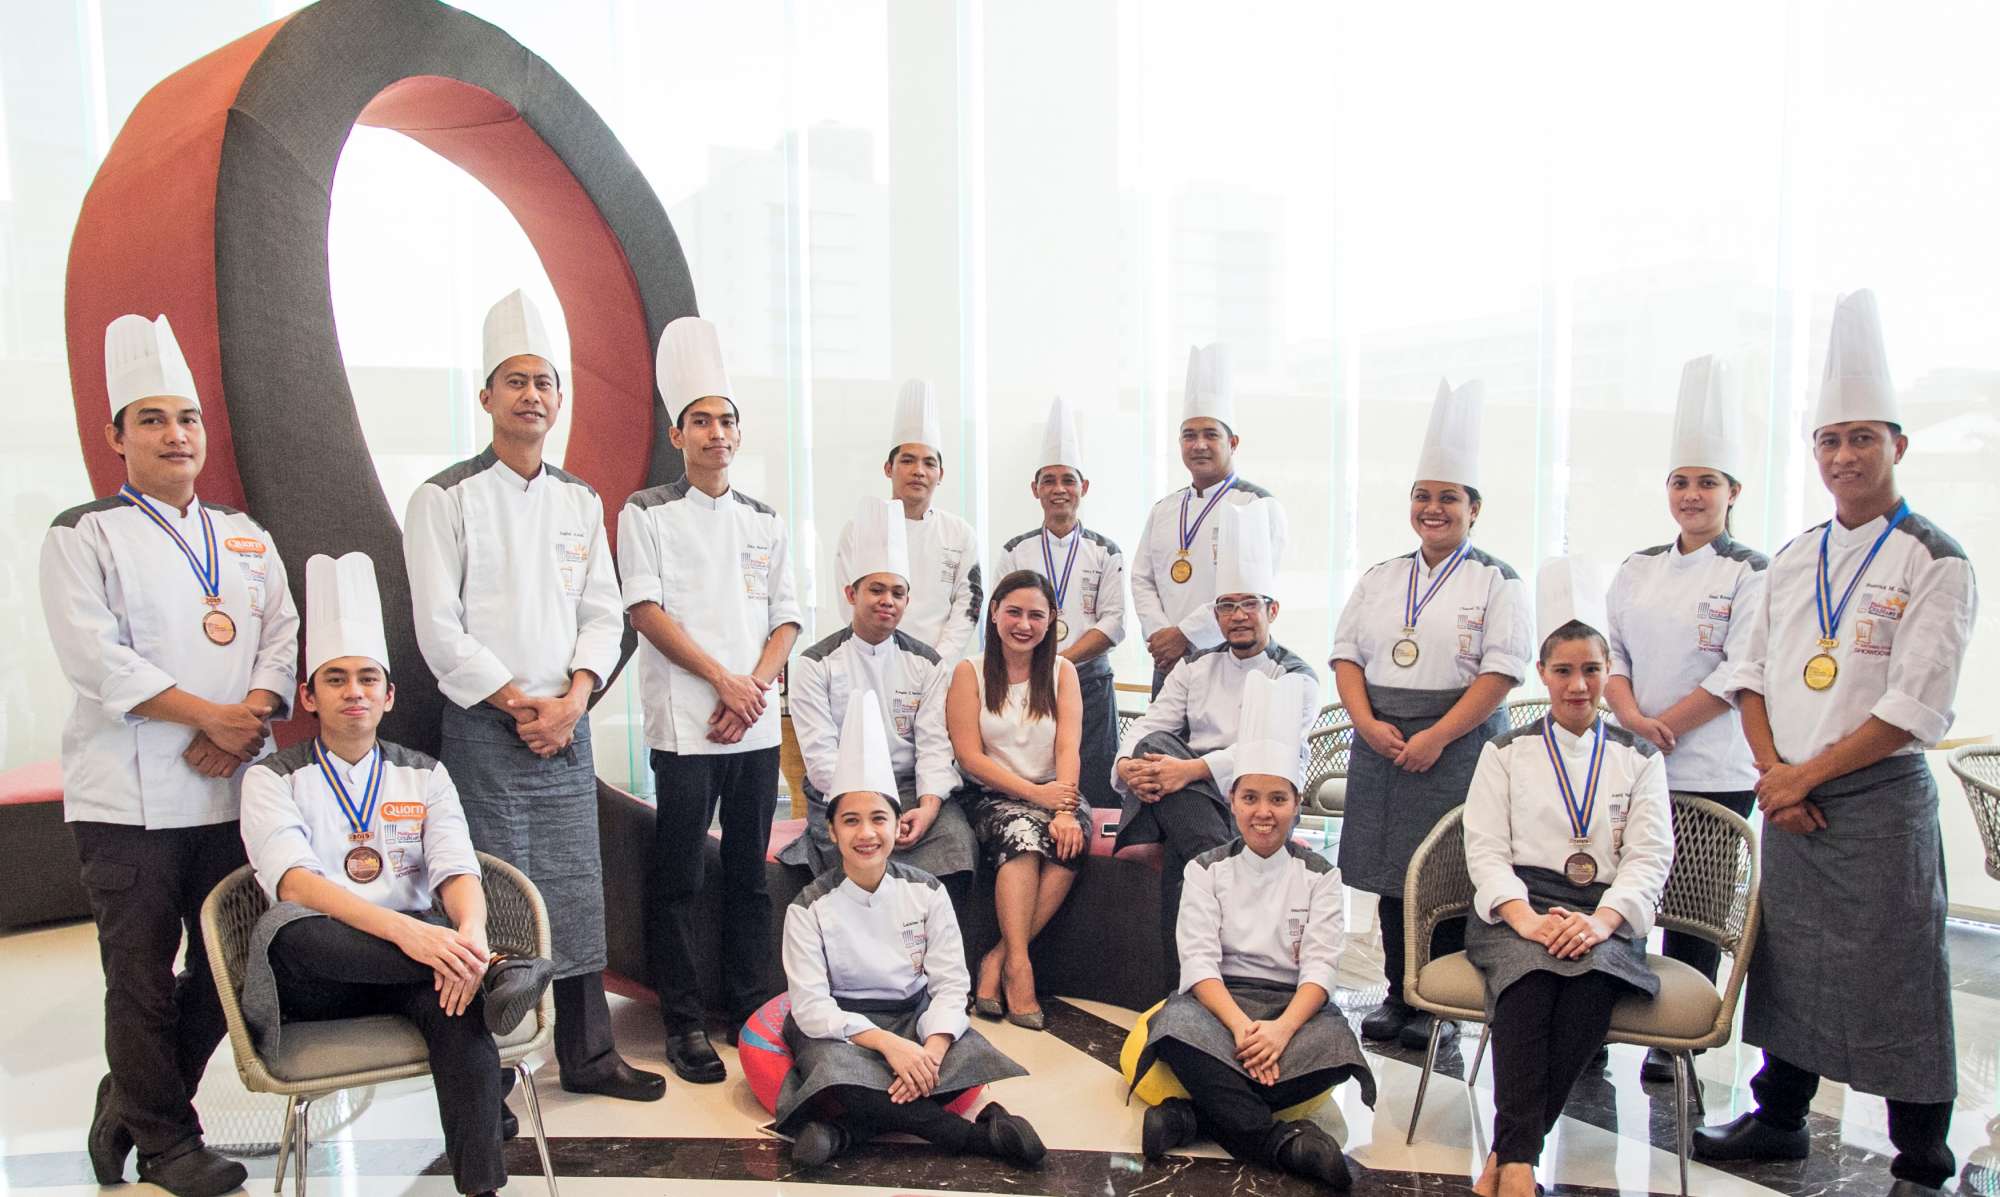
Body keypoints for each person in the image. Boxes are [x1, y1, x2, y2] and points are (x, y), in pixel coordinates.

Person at [1694, 290, 1978, 1196]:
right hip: (1790, 790)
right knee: (1789, 964)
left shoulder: (1936, 558)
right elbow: (1749, 674)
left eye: (1862, 438)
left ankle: (1921, 1147)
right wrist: (1775, 772)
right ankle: (1779, 1116)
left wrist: (1800, 776)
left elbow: (1913, 706)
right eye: (1829, 440)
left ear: (1898, 445)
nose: (1844, 456)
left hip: (1877, 799)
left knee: (1899, 972)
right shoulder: (1793, 556)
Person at [41, 313, 299, 1196]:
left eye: (186, 418)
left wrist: (249, 717)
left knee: (237, 963)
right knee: (141, 980)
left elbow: (280, 634)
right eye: (151, 419)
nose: (175, 434)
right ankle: (166, 1142)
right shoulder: (83, 533)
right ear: (116, 436)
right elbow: (96, 658)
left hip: (233, 792)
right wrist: (210, 718)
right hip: (129, 800)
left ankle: (133, 1096)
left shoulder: (245, 533)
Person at [405, 290, 661, 1102]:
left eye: (543, 381)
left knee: (576, 888)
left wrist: (575, 698)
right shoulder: (442, 498)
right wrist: (521, 703)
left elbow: (603, 612)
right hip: (488, 727)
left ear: (559, 397)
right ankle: (490, 1072)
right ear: (486, 396)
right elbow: (438, 628)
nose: (531, 395)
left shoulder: (579, 499)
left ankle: (588, 1054)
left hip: (565, 723)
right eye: (514, 381)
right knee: (493, 895)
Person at [236, 553, 556, 1197]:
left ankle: (483, 1189)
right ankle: (495, 969)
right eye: (335, 679)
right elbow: (295, 884)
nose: (353, 691)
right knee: (294, 930)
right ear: (309, 696)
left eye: (367, 678)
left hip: (419, 964)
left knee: (457, 1005)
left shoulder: (425, 775)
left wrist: (468, 932)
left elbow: (457, 867)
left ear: (389, 695)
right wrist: (418, 937)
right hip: (319, 976)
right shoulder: (272, 778)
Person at [620, 315, 802, 1083]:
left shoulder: (765, 518)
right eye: (701, 421)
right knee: (681, 879)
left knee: (749, 876)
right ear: (677, 433)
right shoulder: (644, 512)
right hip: (686, 728)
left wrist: (750, 685)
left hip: (752, 727)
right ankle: (685, 1021)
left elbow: (787, 616)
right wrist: (723, 681)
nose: (716, 432)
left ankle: (750, 1005)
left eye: (726, 420)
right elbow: (646, 611)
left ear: (738, 431)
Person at [1331, 378, 1531, 1052]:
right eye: (1423, 495)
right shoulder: (1381, 576)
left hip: (1459, 740)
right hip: (1382, 736)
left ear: (1475, 508)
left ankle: (1435, 997)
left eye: (1448, 497)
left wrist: (1439, 736)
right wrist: (1366, 724)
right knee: (1393, 874)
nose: (1433, 508)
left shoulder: (1498, 580)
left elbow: (1502, 672)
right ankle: (1398, 990)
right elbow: (1346, 657)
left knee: (1445, 869)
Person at [1462, 558, 1673, 1197]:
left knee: (1589, 986)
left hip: (1605, 909)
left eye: (1591, 669)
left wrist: (1603, 922)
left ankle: (1510, 1158)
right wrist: (1526, 919)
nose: (1578, 685)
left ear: (1609, 673)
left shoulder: (1640, 757)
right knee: (1528, 981)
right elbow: (1485, 848)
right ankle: (1519, 1164)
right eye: (1563, 670)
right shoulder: (1504, 751)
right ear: (1542, 673)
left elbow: (1649, 857)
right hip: (1518, 905)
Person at [776, 692, 1044, 1168]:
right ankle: (978, 1139)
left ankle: (843, 1132)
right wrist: (889, 1045)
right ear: (832, 831)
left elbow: (951, 984)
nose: (866, 833)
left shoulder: (927, 892)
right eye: (851, 821)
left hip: (912, 1018)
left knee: (963, 1058)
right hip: (844, 1030)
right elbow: (813, 1008)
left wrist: (930, 1051)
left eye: (878, 818)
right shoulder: (808, 908)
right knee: (838, 1071)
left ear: (898, 824)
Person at [1132, 671, 1375, 1190]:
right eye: (1250, 798)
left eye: (1278, 799)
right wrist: (1244, 1029)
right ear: (1233, 801)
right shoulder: (1205, 869)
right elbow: (1199, 964)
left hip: (1293, 1007)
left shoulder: (1321, 875)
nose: (1263, 813)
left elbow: (1321, 967)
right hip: (1219, 1005)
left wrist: (1281, 1030)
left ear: (1296, 803)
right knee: (1174, 1029)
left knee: (1337, 1048)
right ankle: (1275, 1142)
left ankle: (1195, 1118)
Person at [1602, 354, 1768, 1083]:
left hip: (1714, 768)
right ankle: (1600, 1021)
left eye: (1706, 482)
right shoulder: (1638, 565)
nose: (1692, 495)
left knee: (1694, 912)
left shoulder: (1753, 571)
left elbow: (1741, 667)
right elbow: (1611, 651)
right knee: (1619, 895)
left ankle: (1675, 1045)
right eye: (1680, 481)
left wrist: (1665, 722)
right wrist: (1633, 715)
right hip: (1634, 759)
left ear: (1734, 492)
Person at [1115, 500, 1317, 975]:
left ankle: (1181, 985)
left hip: (1257, 798)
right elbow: (1151, 724)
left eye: (1249, 605)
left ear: (1272, 609)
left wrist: (1190, 771)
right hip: (1186, 794)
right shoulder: (1196, 664)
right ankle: (1224, 910)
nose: (1238, 616)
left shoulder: (1295, 676)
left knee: (1188, 861)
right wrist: (1126, 765)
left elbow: (1267, 752)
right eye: (1227, 606)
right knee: (1152, 748)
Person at [781, 497, 978, 910]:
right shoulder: (815, 664)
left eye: (897, 592)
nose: (887, 600)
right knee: (860, 861)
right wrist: (876, 814)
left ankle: (936, 944)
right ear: (851, 593)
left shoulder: (926, 663)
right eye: (876, 590)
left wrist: (927, 808)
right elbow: (821, 761)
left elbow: (934, 748)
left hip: (911, 791)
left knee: (958, 844)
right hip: (841, 794)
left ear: (907, 601)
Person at [946, 570, 1084, 1030]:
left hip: (1055, 788)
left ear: (1051, 620)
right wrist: (1035, 795)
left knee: (1069, 842)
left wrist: (1064, 809)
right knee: (1024, 837)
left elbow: (1068, 747)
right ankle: (1020, 969)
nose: (1024, 624)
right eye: (1014, 612)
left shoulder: (1063, 672)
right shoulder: (969, 672)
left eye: (1036, 615)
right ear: (994, 613)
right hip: (992, 794)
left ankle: (999, 958)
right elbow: (969, 756)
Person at [994, 396, 1127, 821]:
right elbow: (1000, 617)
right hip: (1026, 684)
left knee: (1098, 788)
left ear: (1083, 488)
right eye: (1048, 480)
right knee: (1036, 785)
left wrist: (1059, 663)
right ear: (1035, 489)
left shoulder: (1105, 551)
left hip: (1090, 683)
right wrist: (1041, 669)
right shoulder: (1015, 551)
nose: (1058, 489)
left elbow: (1114, 623)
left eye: (1068, 480)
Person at [1130, 343, 1288, 696]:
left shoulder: (1258, 505)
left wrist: (1184, 635)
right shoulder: (1164, 509)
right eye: (1189, 435)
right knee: (1160, 734)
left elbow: (1253, 593)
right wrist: (1160, 634)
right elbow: (1142, 578)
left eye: (1210, 434)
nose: (1198, 444)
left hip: (1230, 659)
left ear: (1233, 442)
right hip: (1168, 661)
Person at [833, 379, 981, 658]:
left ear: (940, 474)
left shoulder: (960, 534)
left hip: (939, 666)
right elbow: (849, 603)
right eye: (908, 460)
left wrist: (937, 662)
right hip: (874, 661)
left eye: (929, 463)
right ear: (888, 468)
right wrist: (883, 657)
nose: (918, 471)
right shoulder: (858, 528)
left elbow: (968, 607)